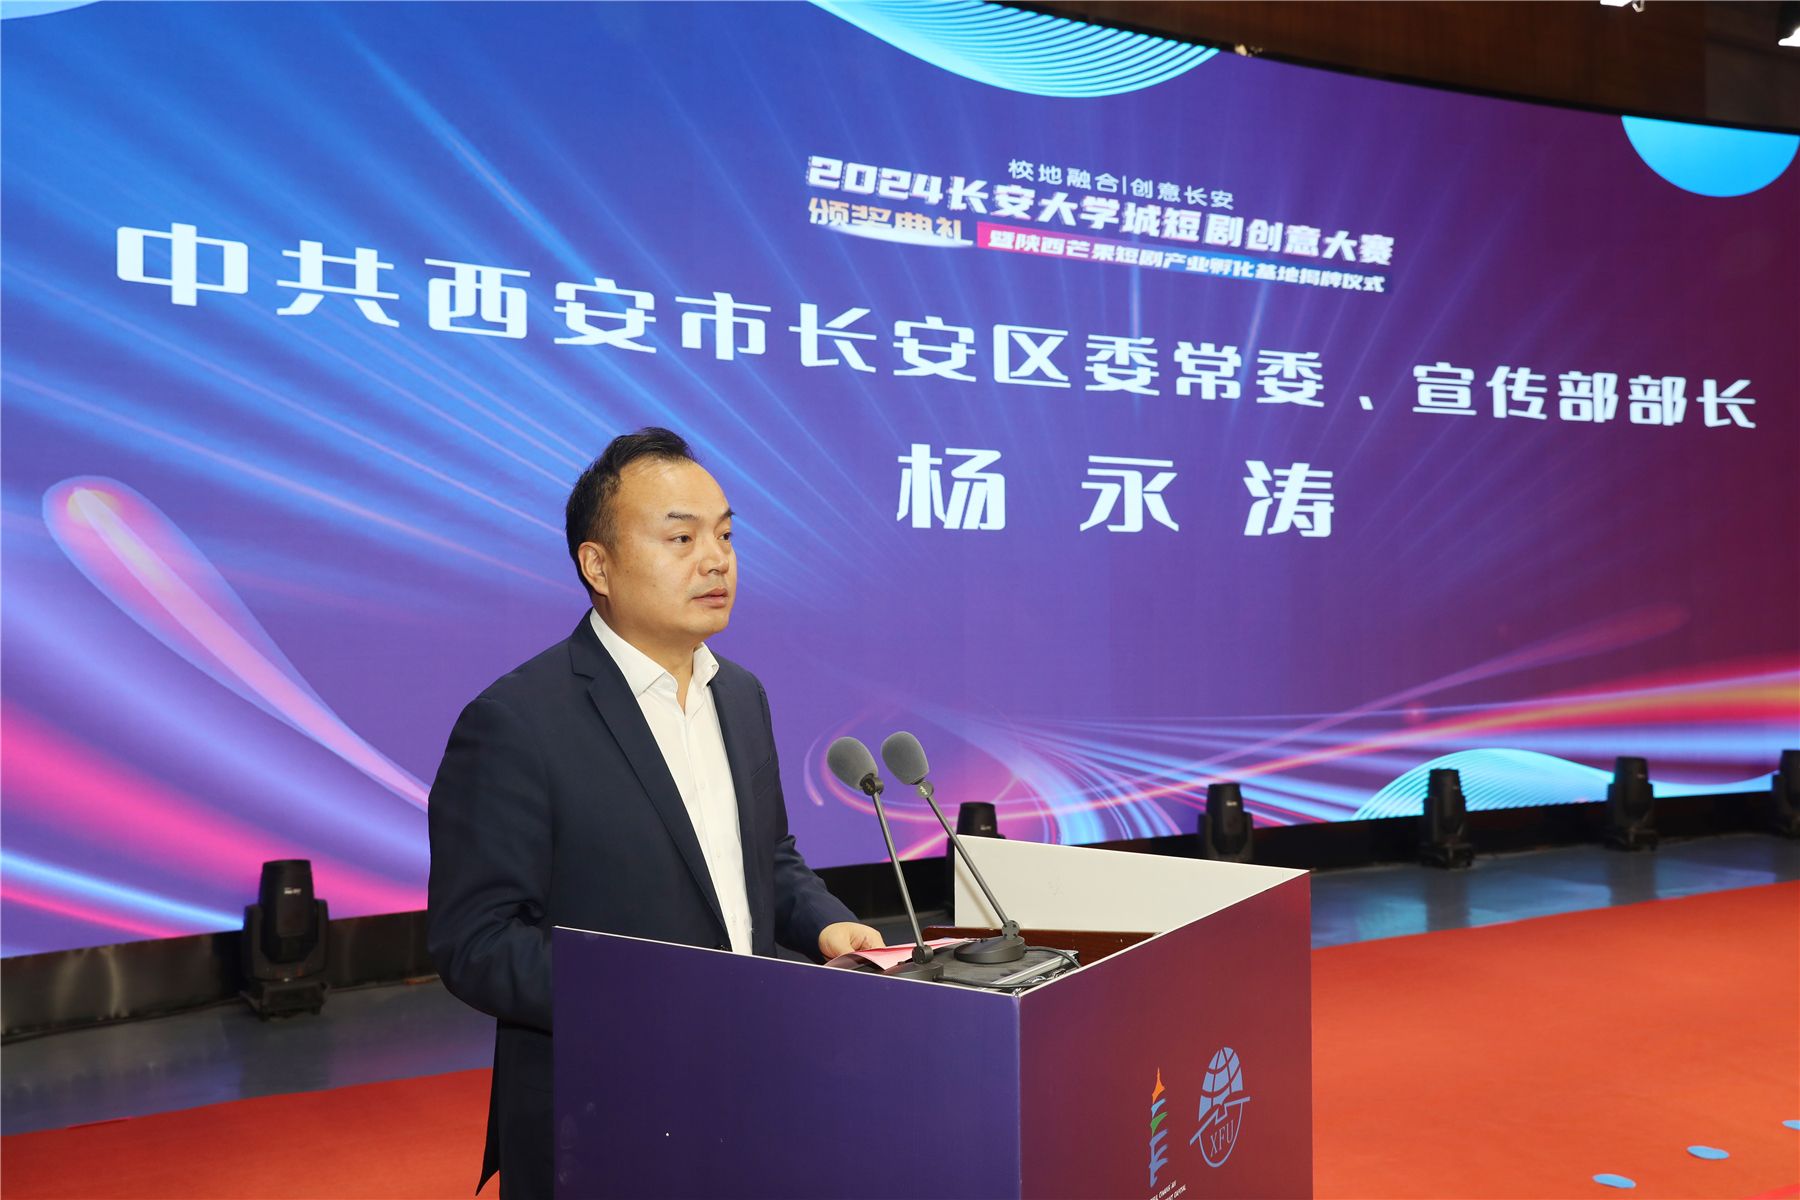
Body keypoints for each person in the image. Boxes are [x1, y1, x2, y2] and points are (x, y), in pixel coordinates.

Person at [427, 427, 883, 1199]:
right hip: (601, 1110)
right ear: (597, 565)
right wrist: (652, 998)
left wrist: (825, 925)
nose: (716, 560)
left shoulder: (740, 696)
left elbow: (765, 858)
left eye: (726, 536)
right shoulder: (517, 722)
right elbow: (476, 942)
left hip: (750, 1082)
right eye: (681, 538)